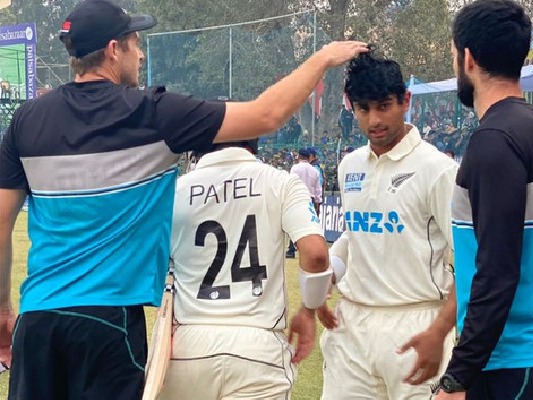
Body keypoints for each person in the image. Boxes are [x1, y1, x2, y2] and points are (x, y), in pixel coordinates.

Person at [0, 0, 368, 398]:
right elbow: (267, 115)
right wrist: (322, 58)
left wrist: (2, 309)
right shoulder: (151, 113)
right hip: (109, 322)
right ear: (113, 49)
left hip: (37, 319)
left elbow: (1, 223)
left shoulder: (26, 120)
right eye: (135, 43)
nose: (141, 54)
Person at [434, 1, 533, 398]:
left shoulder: (494, 140)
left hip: (513, 363)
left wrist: (457, 377)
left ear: (468, 59)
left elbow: (496, 272)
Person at [317, 50, 458, 399]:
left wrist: (440, 331)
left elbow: (473, 260)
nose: (374, 120)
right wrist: (321, 283)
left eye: (384, 106)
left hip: (415, 322)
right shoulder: (350, 166)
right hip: (352, 324)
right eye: (363, 109)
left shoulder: (438, 170)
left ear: (405, 101)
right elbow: (355, 235)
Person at [160, 138, 330, 399]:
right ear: (252, 142)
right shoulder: (281, 182)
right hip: (258, 346)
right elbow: (316, 254)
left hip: (187, 344)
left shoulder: (175, 191)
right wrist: (309, 310)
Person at [286, 148, 322, 258]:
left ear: (299, 156)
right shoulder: (315, 171)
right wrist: (318, 203)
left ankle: (291, 250)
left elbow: (290, 184)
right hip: (310, 199)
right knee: (310, 226)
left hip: (297, 197)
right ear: (308, 157)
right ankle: (310, 250)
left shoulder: (295, 168)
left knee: (294, 224)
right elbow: (318, 189)